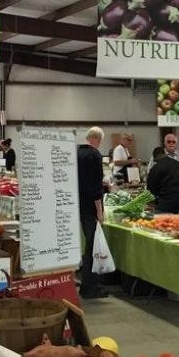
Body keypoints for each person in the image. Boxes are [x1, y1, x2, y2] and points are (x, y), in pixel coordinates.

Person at [76, 127, 107, 299]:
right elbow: (96, 186)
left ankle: (87, 283)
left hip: (78, 205)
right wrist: (99, 211)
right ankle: (90, 287)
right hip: (90, 207)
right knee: (92, 246)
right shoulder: (94, 155)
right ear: (95, 139)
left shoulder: (77, 153)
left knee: (88, 245)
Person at [147, 147, 179, 214]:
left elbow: (151, 189)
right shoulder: (178, 164)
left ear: (156, 156)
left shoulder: (156, 168)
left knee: (165, 222)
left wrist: (152, 203)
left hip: (166, 202)